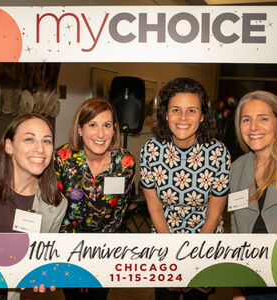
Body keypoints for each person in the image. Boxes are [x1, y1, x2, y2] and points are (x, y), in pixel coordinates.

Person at [140, 78, 230, 300]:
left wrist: (190, 262)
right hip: (164, 241)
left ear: (202, 116)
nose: (183, 118)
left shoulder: (218, 154)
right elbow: (156, 210)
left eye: (191, 110)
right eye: (176, 110)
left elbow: (214, 215)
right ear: (166, 114)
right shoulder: (150, 151)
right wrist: (172, 257)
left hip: (204, 243)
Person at [55, 97, 135, 300]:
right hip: (69, 250)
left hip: (105, 250)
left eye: (107, 125)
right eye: (93, 125)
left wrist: (95, 262)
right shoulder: (62, 159)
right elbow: (56, 214)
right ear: (80, 129)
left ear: (114, 129)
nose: (101, 134)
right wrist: (79, 264)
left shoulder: (125, 162)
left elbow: (118, 217)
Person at [0, 113, 68, 300]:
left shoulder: (55, 205)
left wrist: (41, 272)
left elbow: (40, 257)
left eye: (47, 141)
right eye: (29, 139)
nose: (40, 149)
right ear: (9, 146)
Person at [230, 90, 277, 300]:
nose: (253, 127)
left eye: (263, 119)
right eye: (246, 120)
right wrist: (238, 289)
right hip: (252, 284)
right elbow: (235, 228)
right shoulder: (237, 168)